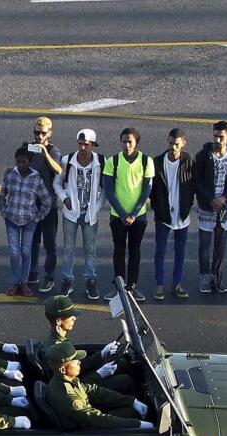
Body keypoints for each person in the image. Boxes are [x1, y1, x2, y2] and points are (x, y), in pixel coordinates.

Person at [41, 294, 136, 396]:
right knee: (126, 381)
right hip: (81, 389)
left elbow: (78, 364)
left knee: (121, 363)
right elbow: (72, 383)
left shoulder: (58, 340)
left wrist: (102, 354)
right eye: (70, 316)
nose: (74, 319)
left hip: (79, 376)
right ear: (58, 321)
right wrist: (99, 374)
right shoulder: (56, 349)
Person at [44, 342, 149, 431]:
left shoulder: (67, 379)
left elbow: (95, 391)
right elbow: (96, 419)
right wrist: (137, 424)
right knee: (133, 413)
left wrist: (131, 401)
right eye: (75, 361)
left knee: (127, 394)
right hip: (84, 431)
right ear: (62, 369)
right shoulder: (67, 396)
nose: (79, 362)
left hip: (89, 417)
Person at [101, 127, 155, 300]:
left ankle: (131, 286)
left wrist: (133, 213)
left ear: (136, 143)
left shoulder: (146, 161)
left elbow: (147, 190)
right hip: (118, 217)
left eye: (130, 141)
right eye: (124, 141)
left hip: (138, 217)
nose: (126, 145)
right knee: (118, 250)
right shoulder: (113, 161)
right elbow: (109, 190)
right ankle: (119, 287)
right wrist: (123, 213)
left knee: (134, 250)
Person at [192, 121, 227, 294]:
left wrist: (224, 198)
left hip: (225, 209)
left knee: (220, 245)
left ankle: (217, 277)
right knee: (205, 245)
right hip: (206, 208)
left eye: (221, 136)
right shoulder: (202, 156)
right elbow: (197, 182)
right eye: (215, 135)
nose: (218, 139)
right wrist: (210, 199)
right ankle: (205, 277)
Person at [54, 128, 103, 299]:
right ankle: (67, 279)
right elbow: (57, 183)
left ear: (93, 145)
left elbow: (105, 189)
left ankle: (90, 280)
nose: (82, 147)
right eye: (80, 144)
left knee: (90, 249)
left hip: (90, 215)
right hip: (71, 213)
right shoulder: (67, 161)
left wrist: (96, 208)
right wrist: (64, 199)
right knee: (68, 249)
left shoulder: (101, 162)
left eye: (86, 144)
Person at [0, 148, 53, 297]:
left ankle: (24, 281)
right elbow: (2, 196)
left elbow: (47, 201)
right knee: (14, 252)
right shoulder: (10, 175)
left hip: (29, 220)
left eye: (24, 162)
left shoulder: (36, 179)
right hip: (11, 219)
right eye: (18, 162)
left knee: (25, 251)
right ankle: (16, 282)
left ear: (29, 162)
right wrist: (4, 212)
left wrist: (37, 217)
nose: (21, 164)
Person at [19, 116, 63, 293]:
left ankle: (49, 276)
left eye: (42, 133)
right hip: (31, 204)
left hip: (48, 206)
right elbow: (20, 165)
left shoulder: (53, 151)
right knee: (32, 241)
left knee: (50, 244)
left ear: (49, 133)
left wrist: (45, 154)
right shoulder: (28, 148)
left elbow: (59, 170)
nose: (39, 136)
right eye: (36, 132)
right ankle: (32, 272)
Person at [150, 128, 194, 300]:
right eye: (170, 143)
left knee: (180, 251)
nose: (173, 147)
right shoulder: (158, 162)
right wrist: (157, 208)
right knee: (160, 250)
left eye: (176, 144)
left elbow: (192, 185)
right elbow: (152, 189)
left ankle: (177, 283)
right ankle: (159, 285)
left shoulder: (188, 160)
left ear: (183, 143)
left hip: (182, 216)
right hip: (163, 216)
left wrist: (188, 205)